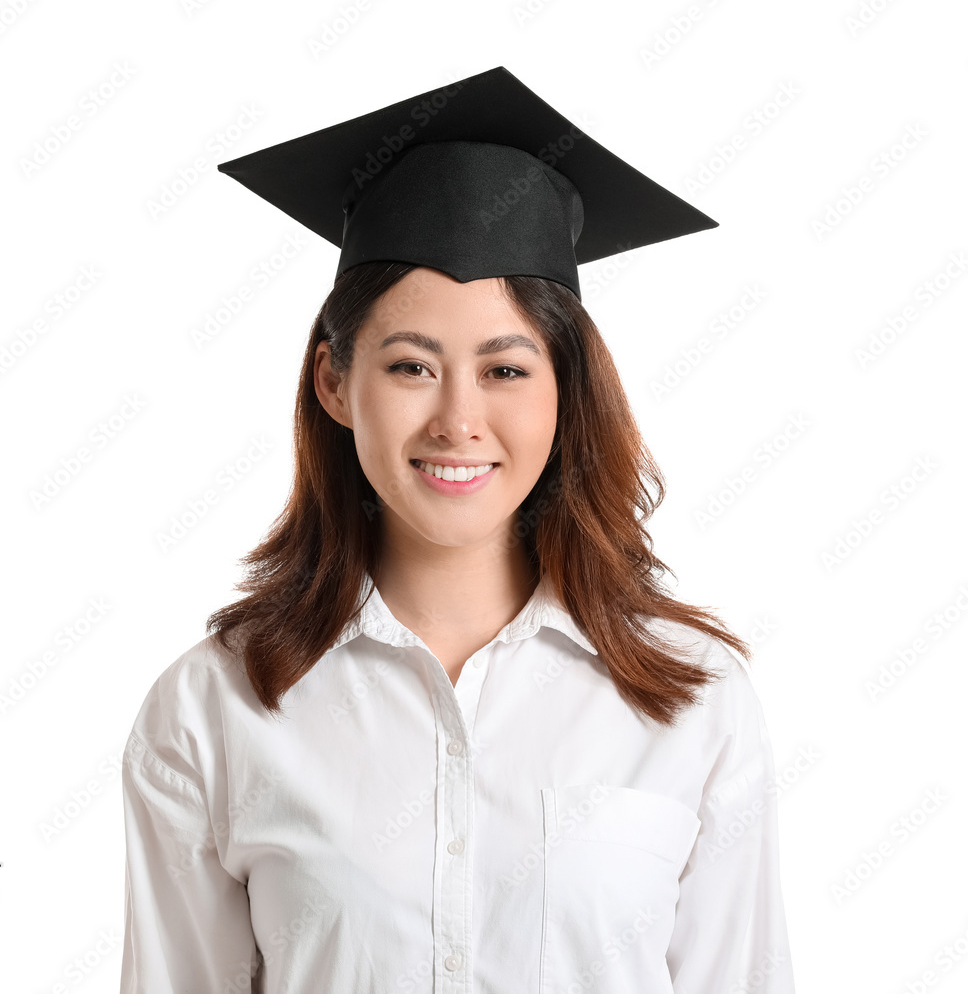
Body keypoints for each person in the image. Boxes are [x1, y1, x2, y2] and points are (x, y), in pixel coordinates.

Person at [119, 67, 796, 993]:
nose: (457, 420)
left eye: (507, 370)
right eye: (409, 366)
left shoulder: (692, 699)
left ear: (566, 389)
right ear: (333, 383)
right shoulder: (214, 713)